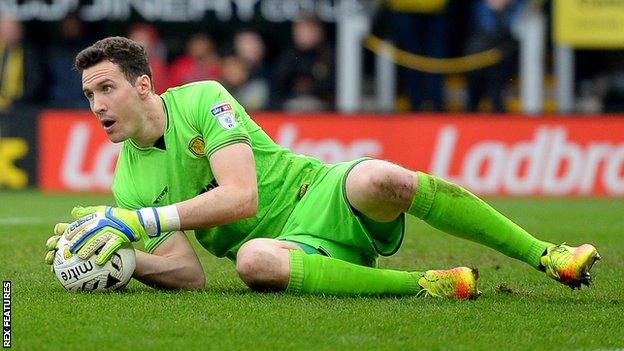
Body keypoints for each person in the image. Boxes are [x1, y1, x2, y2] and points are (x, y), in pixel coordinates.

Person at [44, 37, 600, 298]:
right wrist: (117, 257)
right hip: (287, 249)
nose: (96, 106)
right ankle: (425, 286)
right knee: (253, 263)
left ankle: (549, 256)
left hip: (320, 191)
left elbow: (242, 198)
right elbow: (187, 274)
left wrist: (138, 223)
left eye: (106, 88)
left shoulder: (203, 99)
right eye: (88, 94)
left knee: (381, 177)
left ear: (143, 85)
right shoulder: (127, 179)